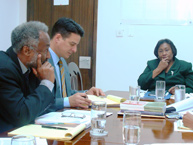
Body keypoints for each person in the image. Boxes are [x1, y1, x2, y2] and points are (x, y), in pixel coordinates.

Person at [0, 21, 55, 133]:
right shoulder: (5, 69)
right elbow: (22, 115)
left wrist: (43, 80)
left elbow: (45, 105)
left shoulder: (30, 66)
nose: (48, 56)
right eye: (45, 50)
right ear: (27, 51)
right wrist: (46, 83)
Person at [48, 17, 105, 111]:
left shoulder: (62, 62)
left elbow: (67, 94)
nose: (75, 50)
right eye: (72, 44)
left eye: (76, 45)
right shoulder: (41, 61)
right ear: (57, 38)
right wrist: (68, 102)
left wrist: (86, 94)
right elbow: (39, 103)